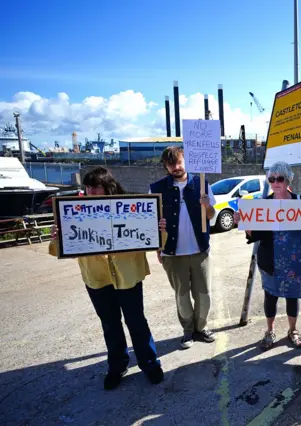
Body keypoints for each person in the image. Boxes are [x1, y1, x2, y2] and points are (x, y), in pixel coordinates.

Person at [49, 167, 164, 390]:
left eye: (96, 187)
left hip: (128, 277)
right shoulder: (75, 211)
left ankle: (150, 363)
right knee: (110, 325)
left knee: (137, 322)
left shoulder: (130, 209)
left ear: (108, 188)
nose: (91, 191)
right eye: (88, 187)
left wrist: (158, 229)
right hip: (97, 279)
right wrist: (58, 237)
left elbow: (157, 241)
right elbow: (58, 250)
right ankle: (117, 365)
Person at [235, 161, 301, 350]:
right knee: (271, 296)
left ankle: (293, 330)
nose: (275, 182)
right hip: (270, 259)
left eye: (280, 178)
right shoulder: (261, 205)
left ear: (288, 180)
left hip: (294, 259)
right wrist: (244, 223)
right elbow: (255, 236)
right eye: (272, 179)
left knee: (292, 297)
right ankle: (269, 331)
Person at [150, 146, 216, 349]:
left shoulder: (202, 183)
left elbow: (211, 216)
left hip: (200, 251)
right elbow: (151, 223)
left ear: (186, 161)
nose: (176, 167)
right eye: (171, 164)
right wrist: (158, 249)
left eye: (179, 162)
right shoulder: (156, 188)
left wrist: (207, 205)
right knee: (182, 295)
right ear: (165, 166)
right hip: (172, 253)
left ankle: (201, 327)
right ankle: (188, 331)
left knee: (204, 294)